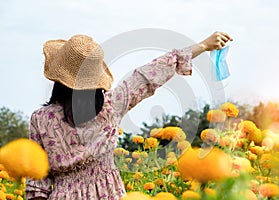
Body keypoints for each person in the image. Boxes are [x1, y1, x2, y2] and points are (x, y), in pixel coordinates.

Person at [26, 31, 232, 200]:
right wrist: (204, 45)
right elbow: (147, 75)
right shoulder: (112, 105)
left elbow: (37, 184)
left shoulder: (40, 119)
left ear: (59, 77)